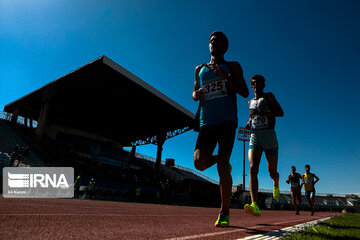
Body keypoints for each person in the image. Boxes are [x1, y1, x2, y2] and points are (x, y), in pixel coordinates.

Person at [193, 31, 249, 227]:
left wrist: (225, 76)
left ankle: (224, 212)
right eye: (210, 40)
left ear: (225, 47)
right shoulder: (199, 68)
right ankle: (222, 161)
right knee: (199, 163)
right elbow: (193, 93)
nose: (212, 43)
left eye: (217, 41)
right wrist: (196, 94)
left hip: (227, 120)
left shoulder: (233, 66)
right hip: (206, 122)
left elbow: (244, 92)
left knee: (222, 165)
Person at [244, 74, 284, 216]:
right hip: (255, 136)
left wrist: (261, 112)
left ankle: (276, 182)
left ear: (263, 85)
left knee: (272, 172)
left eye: (259, 83)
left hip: (269, 135)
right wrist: (249, 123)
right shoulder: (250, 102)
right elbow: (252, 117)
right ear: (251, 86)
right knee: (253, 167)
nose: (256, 85)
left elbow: (280, 113)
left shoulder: (269, 96)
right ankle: (255, 204)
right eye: (254, 83)